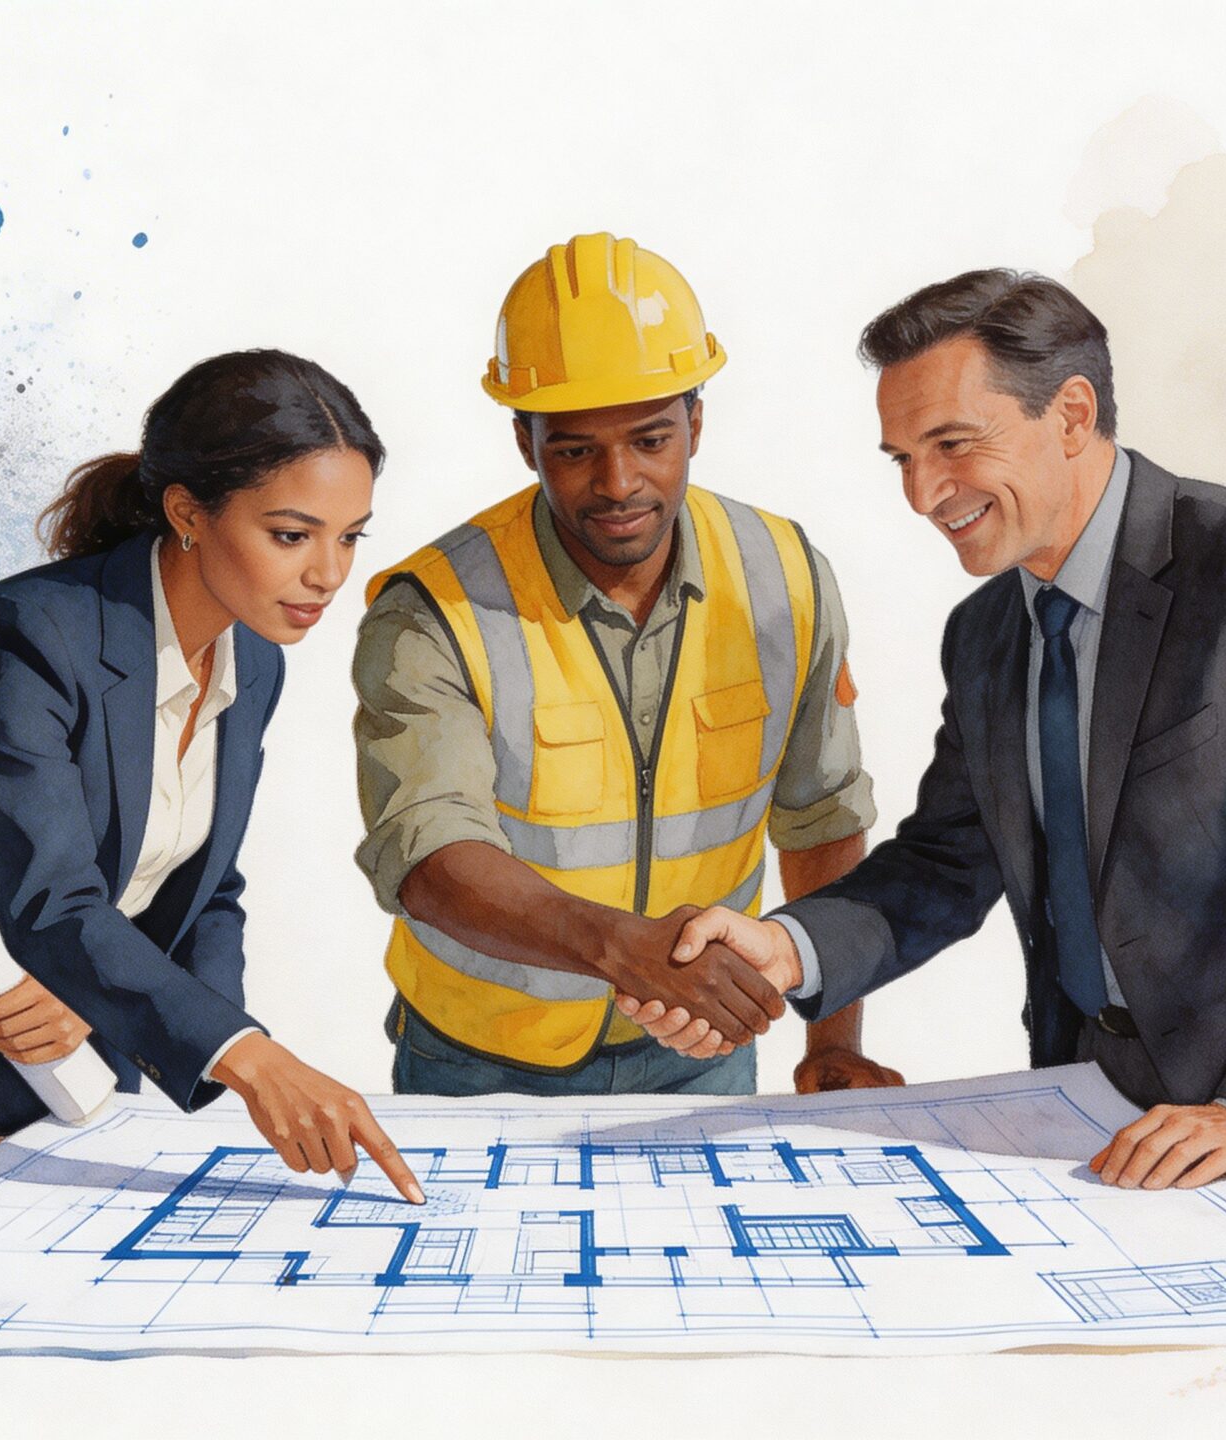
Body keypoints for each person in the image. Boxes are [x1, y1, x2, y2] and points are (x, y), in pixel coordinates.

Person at [645, 269, 1226, 1183]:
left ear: (1074, 415)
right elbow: (945, 863)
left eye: (953, 445)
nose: (924, 493)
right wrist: (787, 946)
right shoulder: (986, 634)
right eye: (902, 458)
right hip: (1110, 1120)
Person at [0, 349, 424, 1203]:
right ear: (187, 511)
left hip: (71, 1069)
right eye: (292, 535)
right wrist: (250, 1058)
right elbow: (52, 903)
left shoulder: (255, 660)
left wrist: (187, 1054)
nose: (328, 573)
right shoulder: (20, 638)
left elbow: (206, 889)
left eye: (350, 536)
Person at [351, 232, 892, 1099]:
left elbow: (821, 814)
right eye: (573, 449)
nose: (617, 482)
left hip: (707, 1051)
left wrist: (829, 1042)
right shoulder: (433, 610)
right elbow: (430, 854)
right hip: (478, 1062)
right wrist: (624, 950)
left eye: (649, 439)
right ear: (525, 443)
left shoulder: (783, 576)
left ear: (696, 424)